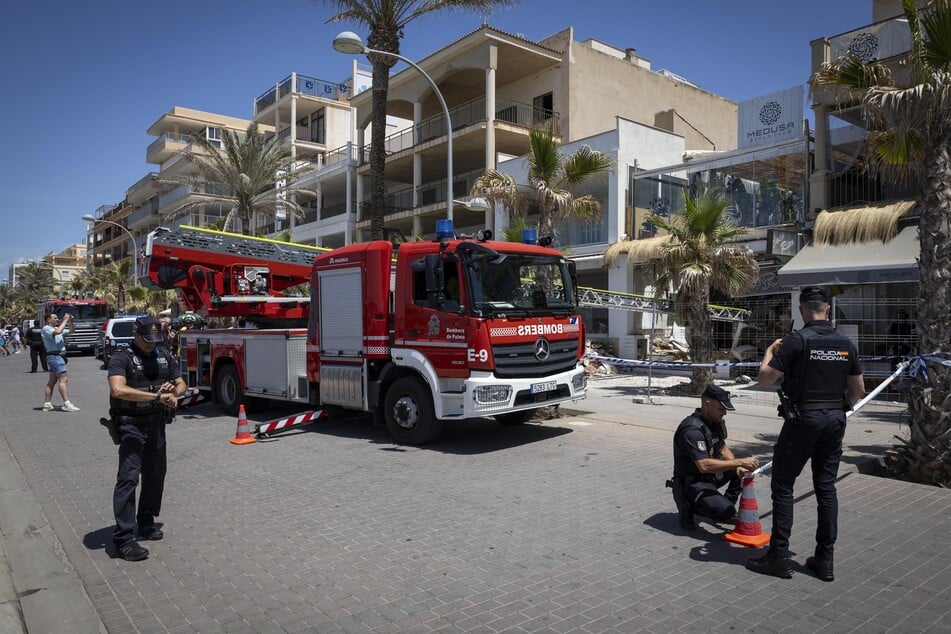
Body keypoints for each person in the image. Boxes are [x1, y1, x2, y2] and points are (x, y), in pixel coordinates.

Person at [746, 286, 865, 582]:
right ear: (827, 308)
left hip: (802, 421)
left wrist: (770, 352)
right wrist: (837, 411)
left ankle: (778, 557)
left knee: (783, 487)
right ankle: (825, 560)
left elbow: (764, 380)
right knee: (826, 488)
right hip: (834, 421)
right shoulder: (846, 344)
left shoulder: (796, 341)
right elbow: (859, 390)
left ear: (802, 310)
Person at [107, 316, 186, 562]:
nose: (152, 344)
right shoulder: (122, 356)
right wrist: (153, 397)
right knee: (128, 478)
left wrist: (173, 393)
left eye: (155, 340)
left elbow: (181, 384)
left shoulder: (163, 354)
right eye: (147, 340)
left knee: (155, 473)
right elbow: (117, 389)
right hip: (131, 424)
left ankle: (146, 520)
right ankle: (124, 538)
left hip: (156, 423)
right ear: (136, 334)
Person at [667, 384, 759, 530]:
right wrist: (739, 462)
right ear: (707, 404)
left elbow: (722, 447)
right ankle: (689, 506)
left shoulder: (713, 423)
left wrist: (739, 465)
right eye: (721, 409)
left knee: (742, 464)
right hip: (692, 482)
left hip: (709, 477)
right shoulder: (691, 430)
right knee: (738, 464)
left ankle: (724, 504)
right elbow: (704, 466)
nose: (724, 413)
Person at [41, 312, 79, 412]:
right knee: (63, 379)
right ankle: (67, 403)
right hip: (55, 356)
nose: (57, 319)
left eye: (58, 318)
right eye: (55, 318)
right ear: (48, 320)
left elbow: (71, 331)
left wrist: (71, 321)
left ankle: (47, 403)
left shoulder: (56, 328)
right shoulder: (46, 329)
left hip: (58, 356)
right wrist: (65, 320)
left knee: (52, 381)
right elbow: (57, 332)